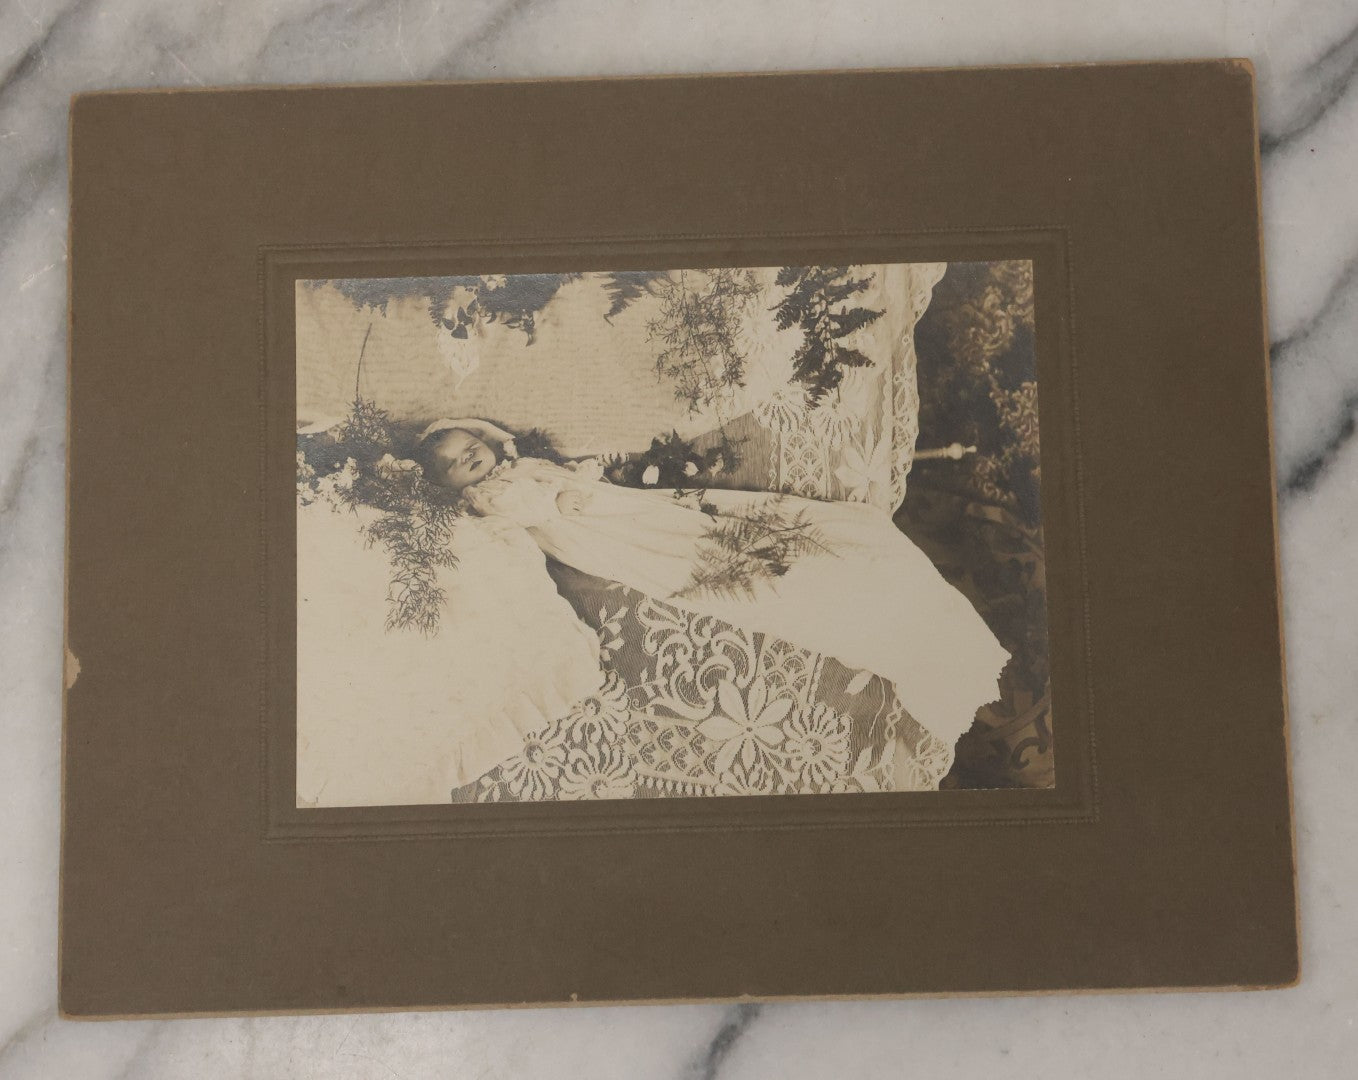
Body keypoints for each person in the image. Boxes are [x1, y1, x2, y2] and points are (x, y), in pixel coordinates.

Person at [413, 418, 1009, 750]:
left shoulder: (515, 466)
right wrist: (558, 494)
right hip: (604, 532)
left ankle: (885, 596)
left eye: (471, 448)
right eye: (454, 463)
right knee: (710, 562)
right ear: (448, 484)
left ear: (487, 441)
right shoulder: (490, 495)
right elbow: (525, 506)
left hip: (619, 510)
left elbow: (555, 479)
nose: (469, 460)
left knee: (741, 528)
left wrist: (578, 479)